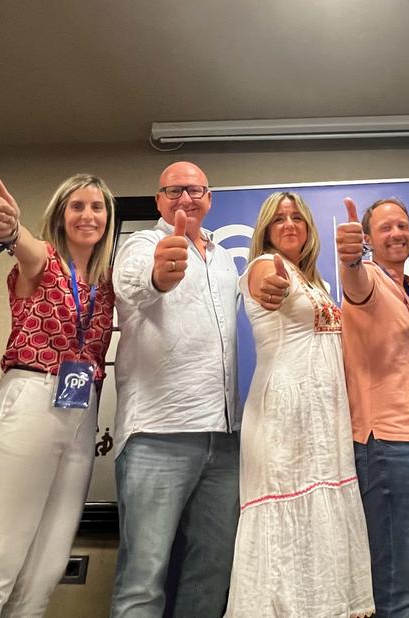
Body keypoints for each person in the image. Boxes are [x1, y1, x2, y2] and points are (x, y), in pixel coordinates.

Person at [0, 173, 117, 617]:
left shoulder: (106, 281)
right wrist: (8, 227)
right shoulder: (43, 258)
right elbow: (21, 242)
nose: (88, 215)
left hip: (80, 411)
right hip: (30, 400)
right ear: (61, 215)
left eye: (97, 207)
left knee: (46, 568)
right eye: (77, 206)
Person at [226, 191, 375, 618]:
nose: (289, 224)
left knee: (321, 524)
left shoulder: (319, 283)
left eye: (296, 217)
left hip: (323, 421)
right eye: (279, 219)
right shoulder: (263, 267)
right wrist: (269, 287)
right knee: (284, 524)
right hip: (283, 416)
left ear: (309, 227)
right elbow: (263, 286)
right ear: (266, 231)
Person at [110, 162, 239, 617]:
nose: (187, 199)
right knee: (143, 580)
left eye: (196, 190)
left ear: (210, 197)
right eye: (175, 190)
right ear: (159, 199)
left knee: (212, 576)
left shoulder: (224, 257)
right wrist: (159, 276)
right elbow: (130, 286)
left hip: (224, 441)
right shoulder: (142, 244)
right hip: (156, 435)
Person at [336, 197, 409, 618]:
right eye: (385, 228)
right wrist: (350, 260)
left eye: (402, 225)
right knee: (396, 590)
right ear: (367, 239)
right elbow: (354, 280)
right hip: (384, 443)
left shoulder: (405, 291)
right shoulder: (369, 279)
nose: (397, 233)